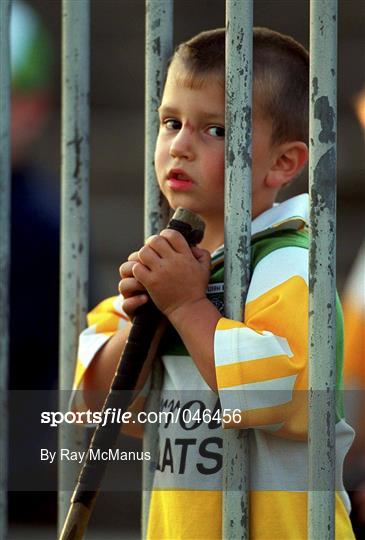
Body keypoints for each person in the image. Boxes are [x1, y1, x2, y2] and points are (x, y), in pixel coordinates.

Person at [72, 28, 355, 538]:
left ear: (284, 162)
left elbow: (275, 397)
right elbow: (96, 411)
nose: (179, 145)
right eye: (171, 122)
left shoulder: (291, 261)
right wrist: (142, 322)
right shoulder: (163, 266)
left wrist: (186, 308)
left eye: (216, 130)